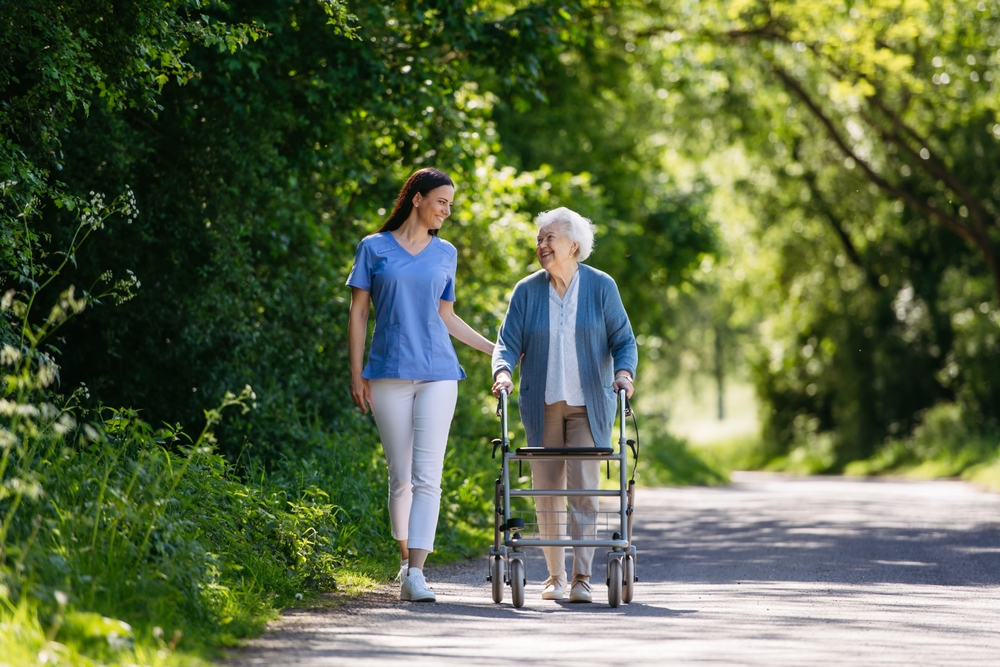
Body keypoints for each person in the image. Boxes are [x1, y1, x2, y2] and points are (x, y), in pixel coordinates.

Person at [347, 167, 494, 602]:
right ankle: (403, 561)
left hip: (438, 372)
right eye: (442, 202)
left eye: (450, 205)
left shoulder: (445, 253)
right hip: (387, 372)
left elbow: (446, 316)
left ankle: (416, 571)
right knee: (401, 476)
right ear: (417, 198)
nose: (447, 212)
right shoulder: (373, 248)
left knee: (429, 475)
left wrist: (495, 349)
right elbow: (358, 314)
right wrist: (356, 374)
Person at [491, 206, 637, 603]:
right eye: (539, 239)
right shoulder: (526, 290)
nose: (541, 245)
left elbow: (624, 340)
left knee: (585, 491)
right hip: (543, 403)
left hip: (589, 403)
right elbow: (507, 342)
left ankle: (582, 577)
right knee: (546, 491)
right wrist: (503, 371)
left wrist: (624, 373)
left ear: (573, 245)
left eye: (549, 238)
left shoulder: (601, 286)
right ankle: (554, 577)